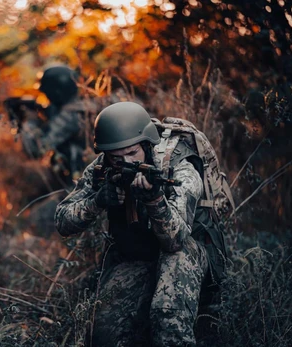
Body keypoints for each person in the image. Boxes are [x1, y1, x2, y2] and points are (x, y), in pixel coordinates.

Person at [55, 101, 223, 346]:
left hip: (185, 254)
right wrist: (98, 201)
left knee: (167, 318)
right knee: (102, 334)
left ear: (147, 143)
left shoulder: (180, 169)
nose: (127, 162)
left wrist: (155, 200)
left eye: (133, 153)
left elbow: (175, 241)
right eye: (117, 157)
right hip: (137, 256)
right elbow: (63, 221)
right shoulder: (102, 167)